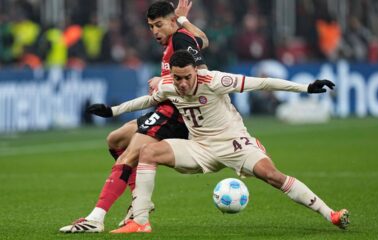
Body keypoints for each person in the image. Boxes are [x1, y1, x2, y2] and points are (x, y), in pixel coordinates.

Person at [89, 50, 349, 233]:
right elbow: (149, 100)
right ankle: (141, 222)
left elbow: (264, 83)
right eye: (177, 78)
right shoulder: (169, 84)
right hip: (199, 147)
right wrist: (114, 111)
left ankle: (331, 214)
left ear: (195, 72)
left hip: (235, 144)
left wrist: (306, 88)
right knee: (147, 152)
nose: (181, 83)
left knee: (273, 176)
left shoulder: (215, 80)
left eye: (186, 77)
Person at [59, 0, 209, 233]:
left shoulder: (179, 39)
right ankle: (139, 204)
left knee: (129, 155)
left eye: (159, 25)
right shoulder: (179, 38)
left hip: (175, 113)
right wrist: (183, 20)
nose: (154, 32)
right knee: (116, 140)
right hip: (165, 109)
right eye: (151, 26)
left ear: (171, 21)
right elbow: (203, 41)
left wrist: (165, 80)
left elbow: (202, 75)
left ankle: (96, 218)